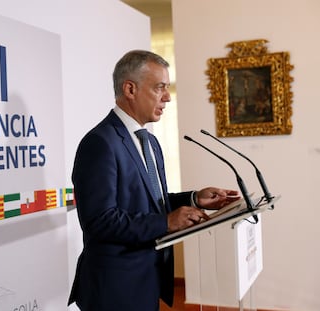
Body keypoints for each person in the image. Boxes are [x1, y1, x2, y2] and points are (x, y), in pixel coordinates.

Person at [68, 50, 239, 311]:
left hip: (146, 279)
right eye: (160, 88)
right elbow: (100, 221)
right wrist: (166, 222)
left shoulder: (150, 141)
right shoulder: (100, 143)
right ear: (130, 89)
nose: (168, 97)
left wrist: (194, 199)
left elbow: (149, 203)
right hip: (115, 288)